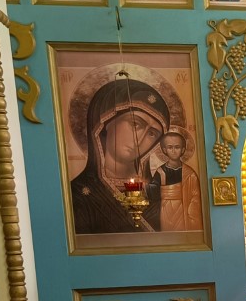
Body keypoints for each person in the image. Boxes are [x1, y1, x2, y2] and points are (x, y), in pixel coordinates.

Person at [70, 76, 170, 234]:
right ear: (107, 121)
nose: (140, 139)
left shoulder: (157, 194)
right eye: (135, 124)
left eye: (152, 133)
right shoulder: (78, 195)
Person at [144, 128, 202, 232]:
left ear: (183, 150)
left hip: (185, 210)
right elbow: (154, 191)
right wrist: (145, 186)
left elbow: (196, 195)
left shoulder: (190, 173)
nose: (174, 151)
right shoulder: (160, 172)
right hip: (166, 210)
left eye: (177, 147)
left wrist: (191, 209)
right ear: (164, 150)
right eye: (170, 147)